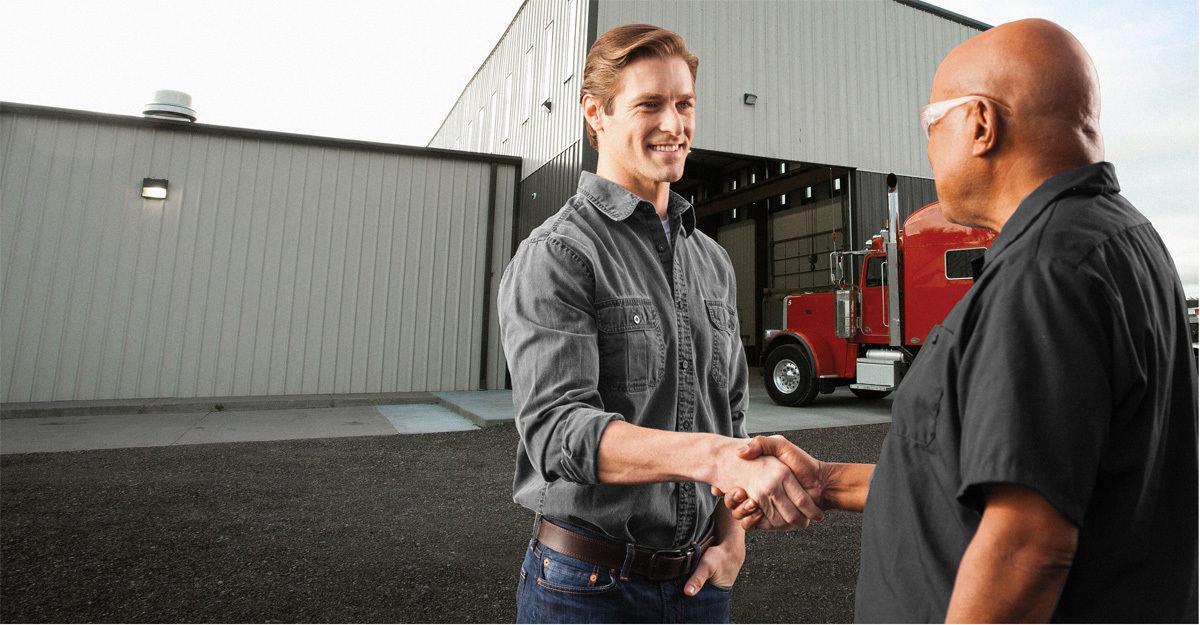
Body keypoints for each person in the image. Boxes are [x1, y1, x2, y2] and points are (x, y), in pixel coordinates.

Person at [721, 18, 1198, 623]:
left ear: (980, 124)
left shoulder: (1042, 273)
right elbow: (989, 476)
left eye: (930, 122)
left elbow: (1025, 549)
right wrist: (828, 481)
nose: (925, 143)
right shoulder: (1123, 239)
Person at [498, 24, 821, 623]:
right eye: (650, 104)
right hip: (587, 588)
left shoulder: (711, 261)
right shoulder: (559, 256)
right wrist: (711, 458)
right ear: (596, 112)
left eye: (684, 104)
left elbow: (728, 410)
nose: (674, 124)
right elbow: (557, 432)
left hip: (701, 584)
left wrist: (733, 537)